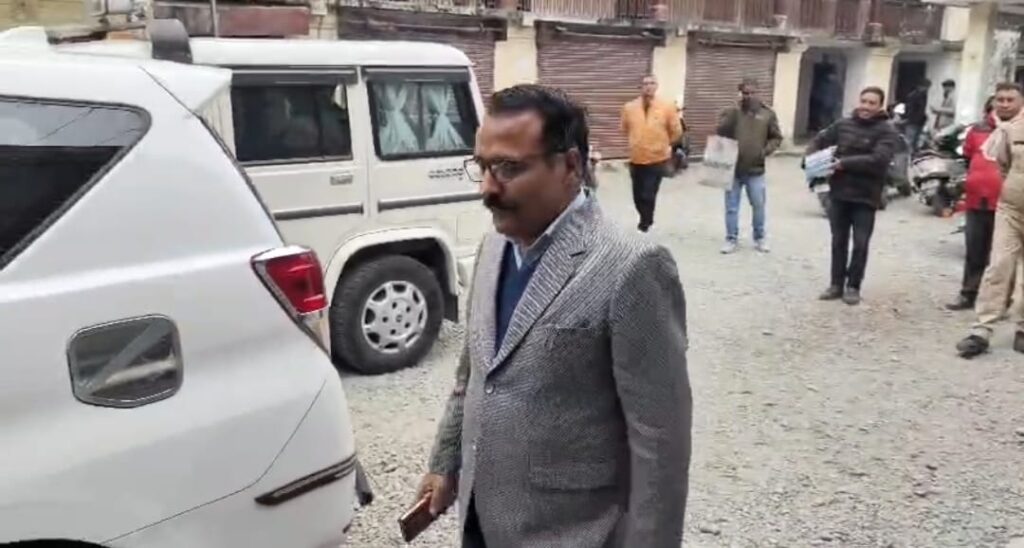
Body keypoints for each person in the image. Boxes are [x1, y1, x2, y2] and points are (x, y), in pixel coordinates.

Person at [418, 84, 692, 547]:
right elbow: (473, 375)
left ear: (570, 165)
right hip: (482, 524)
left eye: (509, 168)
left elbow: (660, 442)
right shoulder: (492, 249)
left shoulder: (632, 267)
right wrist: (445, 464)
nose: (487, 188)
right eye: (482, 167)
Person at [806, 86, 900, 306]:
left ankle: (853, 287)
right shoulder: (843, 124)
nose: (866, 106)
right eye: (863, 101)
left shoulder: (887, 131)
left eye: (871, 103)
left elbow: (879, 160)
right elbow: (820, 140)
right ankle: (836, 285)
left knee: (860, 243)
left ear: (880, 106)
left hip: (866, 197)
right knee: (838, 241)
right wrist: (811, 158)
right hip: (839, 193)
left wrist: (844, 164)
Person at [957, 83, 1024, 358]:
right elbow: (1004, 166)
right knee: (997, 267)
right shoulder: (1007, 131)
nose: (1004, 104)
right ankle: (982, 331)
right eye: (1000, 99)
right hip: (1011, 210)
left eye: (1010, 99)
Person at [716, 78, 783, 254]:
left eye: (753, 92)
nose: (749, 96)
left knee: (758, 205)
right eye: (746, 93)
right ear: (740, 94)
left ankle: (759, 238)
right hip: (732, 169)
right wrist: (731, 114)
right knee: (731, 207)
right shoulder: (732, 112)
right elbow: (720, 133)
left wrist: (764, 151)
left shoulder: (768, 114)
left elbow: (776, 137)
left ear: (759, 93)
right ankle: (731, 239)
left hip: (756, 170)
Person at [621, 74, 683, 232]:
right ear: (640, 87)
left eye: (652, 83)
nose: (648, 86)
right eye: (645, 84)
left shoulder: (666, 107)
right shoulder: (629, 107)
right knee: (637, 195)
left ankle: (645, 223)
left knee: (648, 193)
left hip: (657, 158)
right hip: (636, 157)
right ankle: (645, 217)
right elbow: (625, 128)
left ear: (656, 86)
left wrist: (666, 144)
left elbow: (676, 130)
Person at [903, 79, 931, 155]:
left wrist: (923, 117)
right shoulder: (913, 96)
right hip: (912, 121)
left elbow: (921, 109)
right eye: (926, 87)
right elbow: (909, 109)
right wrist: (909, 118)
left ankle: (913, 156)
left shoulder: (923, 95)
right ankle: (908, 157)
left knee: (915, 141)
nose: (927, 89)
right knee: (910, 141)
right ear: (920, 86)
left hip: (919, 122)